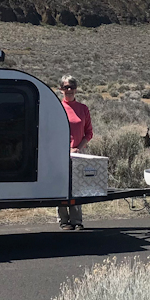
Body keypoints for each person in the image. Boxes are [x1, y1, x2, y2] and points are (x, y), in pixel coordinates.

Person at [58, 75, 93, 230]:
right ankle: (63, 220)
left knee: (77, 187)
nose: (69, 90)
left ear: (76, 89)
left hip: (78, 153)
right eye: (66, 87)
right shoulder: (57, 107)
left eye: (72, 87)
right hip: (60, 153)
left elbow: (89, 133)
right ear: (61, 89)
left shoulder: (83, 109)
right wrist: (65, 148)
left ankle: (76, 221)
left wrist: (79, 147)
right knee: (61, 186)